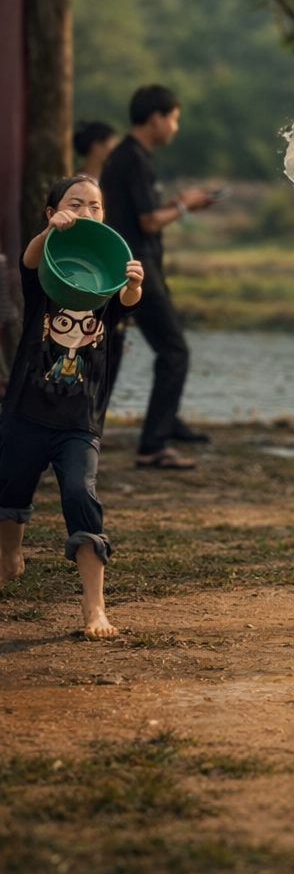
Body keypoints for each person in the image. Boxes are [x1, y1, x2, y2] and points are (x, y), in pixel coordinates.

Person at [0, 175, 144, 638]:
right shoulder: (44, 270)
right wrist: (49, 234)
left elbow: (126, 300)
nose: (86, 212)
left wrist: (134, 283)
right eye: (75, 204)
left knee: (81, 497)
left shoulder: (106, 279)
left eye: (95, 206)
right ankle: (8, 556)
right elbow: (28, 260)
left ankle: (94, 609)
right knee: (9, 494)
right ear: (53, 212)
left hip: (79, 420)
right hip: (24, 410)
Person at [102, 86, 215, 469]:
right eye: (173, 118)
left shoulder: (130, 157)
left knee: (113, 354)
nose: (175, 127)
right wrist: (184, 207)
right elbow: (147, 223)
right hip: (137, 271)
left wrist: (178, 202)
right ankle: (154, 442)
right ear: (155, 118)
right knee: (174, 351)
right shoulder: (132, 158)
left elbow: (144, 211)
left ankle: (157, 425)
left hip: (132, 268)